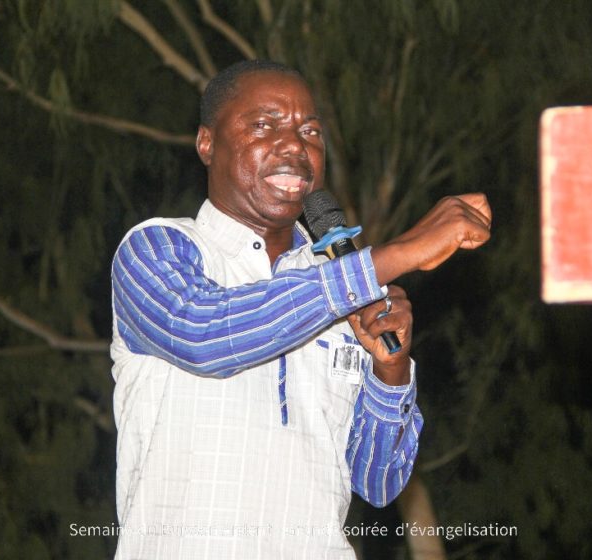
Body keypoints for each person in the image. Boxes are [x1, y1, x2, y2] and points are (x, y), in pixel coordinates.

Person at [110, 60, 491, 560]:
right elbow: (203, 333)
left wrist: (390, 372)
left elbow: (377, 482)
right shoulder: (159, 249)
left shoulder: (343, 284)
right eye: (264, 125)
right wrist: (399, 254)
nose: (295, 145)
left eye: (310, 131)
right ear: (207, 143)